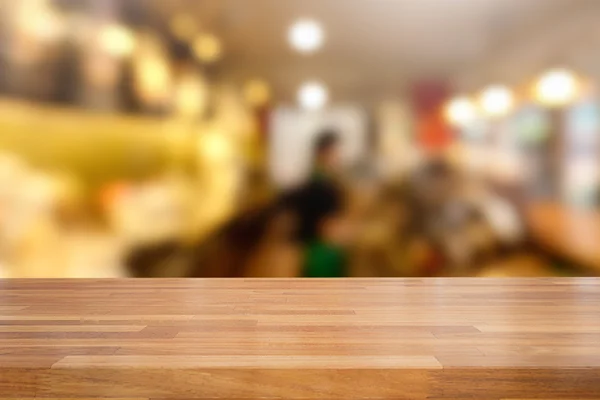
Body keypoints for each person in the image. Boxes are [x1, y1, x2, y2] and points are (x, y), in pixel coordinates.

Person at [286, 129, 348, 277]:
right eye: (336, 153)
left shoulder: (313, 181)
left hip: (309, 251)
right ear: (324, 153)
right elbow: (328, 227)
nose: (339, 158)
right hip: (321, 254)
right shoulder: (322, 185)